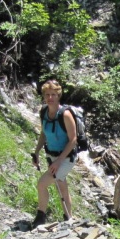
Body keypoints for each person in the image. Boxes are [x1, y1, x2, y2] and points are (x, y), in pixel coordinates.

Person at [31, 79, 77, 227]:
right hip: (51, 155)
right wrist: (37, 152)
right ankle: (69, 218)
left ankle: (40, 217)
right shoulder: (44, 112)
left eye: (53, 94)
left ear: (58, 96)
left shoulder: (65, 115)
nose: (50, 98)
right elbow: (44, 134)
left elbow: (73, 140)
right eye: (47, 94)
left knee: (42, 184)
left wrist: (59, 161)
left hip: (66, 157)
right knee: (61, 185)